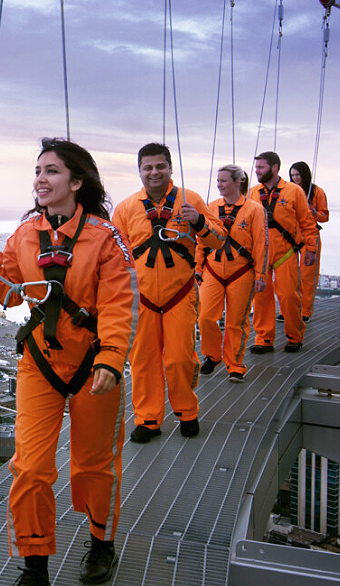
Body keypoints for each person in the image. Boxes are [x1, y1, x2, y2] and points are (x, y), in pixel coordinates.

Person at [0, 138, 133, 586]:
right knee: (31, 468)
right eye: (38, 171)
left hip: (92, 364)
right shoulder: (24, 236)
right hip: (40, 362)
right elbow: (9, 292)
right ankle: (34, 562)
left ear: (76, 182)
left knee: (93, 466)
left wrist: (112, 358)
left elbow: (120, 303)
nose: (41, 178)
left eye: (52, 171)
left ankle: (101, 541)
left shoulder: (105, 238)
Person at [112, 142, 225, 444]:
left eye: (160, 166)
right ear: (139, 171)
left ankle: (187, 411)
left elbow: (218, 241)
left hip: (180, 293)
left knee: (179, 358)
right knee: (143, 360)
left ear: (170, 168)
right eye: (147, 167)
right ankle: (148, 419)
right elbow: (114, 255)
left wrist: (199, 221)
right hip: (142, 298)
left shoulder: (191, 201)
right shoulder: (125, 210)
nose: (154, 172)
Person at [196, 165, 268, 383]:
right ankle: (212, 355)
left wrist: (261, 276)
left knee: (236, 322)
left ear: (238, 182)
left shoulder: (254, 210)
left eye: (224, 180)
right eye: (218, 180)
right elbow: (202, 239)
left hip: (241, 271)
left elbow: (261, 244)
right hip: (213, 270)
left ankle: (235, 365)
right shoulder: (211, 207)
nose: (219, 184)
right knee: (205, 317)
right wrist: (198, 267)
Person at [247, 151, 318, 353]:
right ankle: (264, 338)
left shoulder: (294, 191)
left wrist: (311, 248)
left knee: (288, 296)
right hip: (260, 255)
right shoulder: (252, 193)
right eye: (256, 167)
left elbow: (307, 222)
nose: (257, 171)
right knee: (261, 298)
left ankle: (295, 336)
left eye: (261, 167)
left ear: (275, 167)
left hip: (285, 252)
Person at [289, 161, 329, 322]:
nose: (295, 178)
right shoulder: (288, 192)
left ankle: (305, 311)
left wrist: (313, 213)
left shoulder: (317, 192)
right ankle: (288, 310)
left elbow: (325, 217)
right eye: (292, 175)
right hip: (290, 236)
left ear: (305, 175)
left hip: (310, 235)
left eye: (298, 175)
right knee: (289, 277)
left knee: (308, 276)